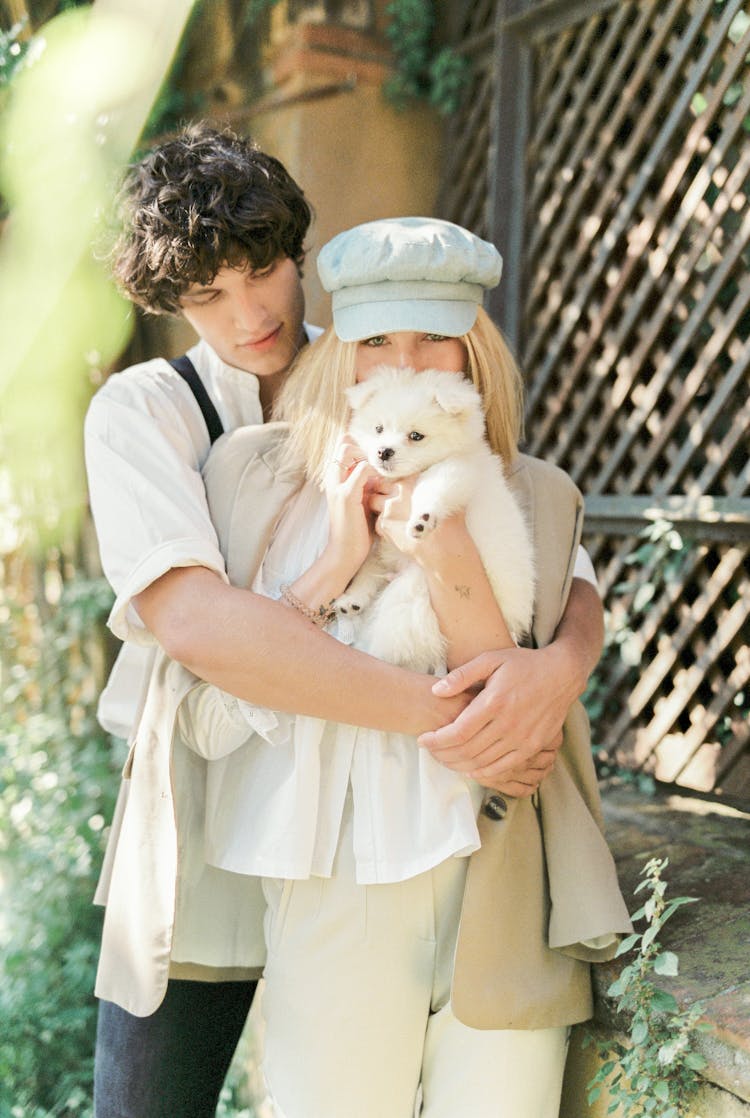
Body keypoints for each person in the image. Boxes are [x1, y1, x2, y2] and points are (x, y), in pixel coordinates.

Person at [84, 124, 605, 1116]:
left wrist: (558, 669)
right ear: (170, 305)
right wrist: (460, 720)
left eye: (262, 272)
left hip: (359, 816)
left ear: (298, 257)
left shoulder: (389, 364)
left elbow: (547, 546)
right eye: (208, 296)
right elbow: (200, 625)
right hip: (209, 818)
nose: (249, 315)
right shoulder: (148, 412)